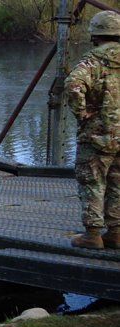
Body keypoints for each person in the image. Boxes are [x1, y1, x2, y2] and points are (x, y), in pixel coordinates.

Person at [65, 10, 120, 249]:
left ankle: (93, 234)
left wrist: (82, 113)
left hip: (97, 135)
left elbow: (73, 86)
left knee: (92, 181)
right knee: (118, 182)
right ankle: (116, 233)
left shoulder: (93, 62)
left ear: (96, 35)